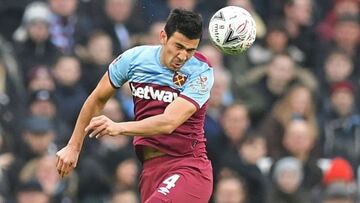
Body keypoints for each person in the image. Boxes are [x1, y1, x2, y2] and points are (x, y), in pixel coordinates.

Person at [56, 8, 214, 203]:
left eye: (190, 50)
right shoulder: (135, 59)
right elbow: (97, 99)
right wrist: (73, 146)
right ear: (163, 36)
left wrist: (118, 127)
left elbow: (168, 122)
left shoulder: (201, 71)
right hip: (150, 169)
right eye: (178, 46)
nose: (183, 56)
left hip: (188, 166)